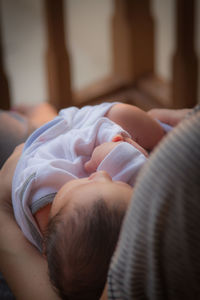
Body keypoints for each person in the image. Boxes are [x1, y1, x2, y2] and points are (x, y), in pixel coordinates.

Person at [0, 105, 194, 300]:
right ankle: (38, 115)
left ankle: (36, 115)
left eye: (83, 182)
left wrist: (3, 210)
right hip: (59, 136)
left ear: (46, 248)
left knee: (10, 128)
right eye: (117, 182)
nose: (100, 174)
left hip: (39, 151)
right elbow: (135, 165)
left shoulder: (41, 202)